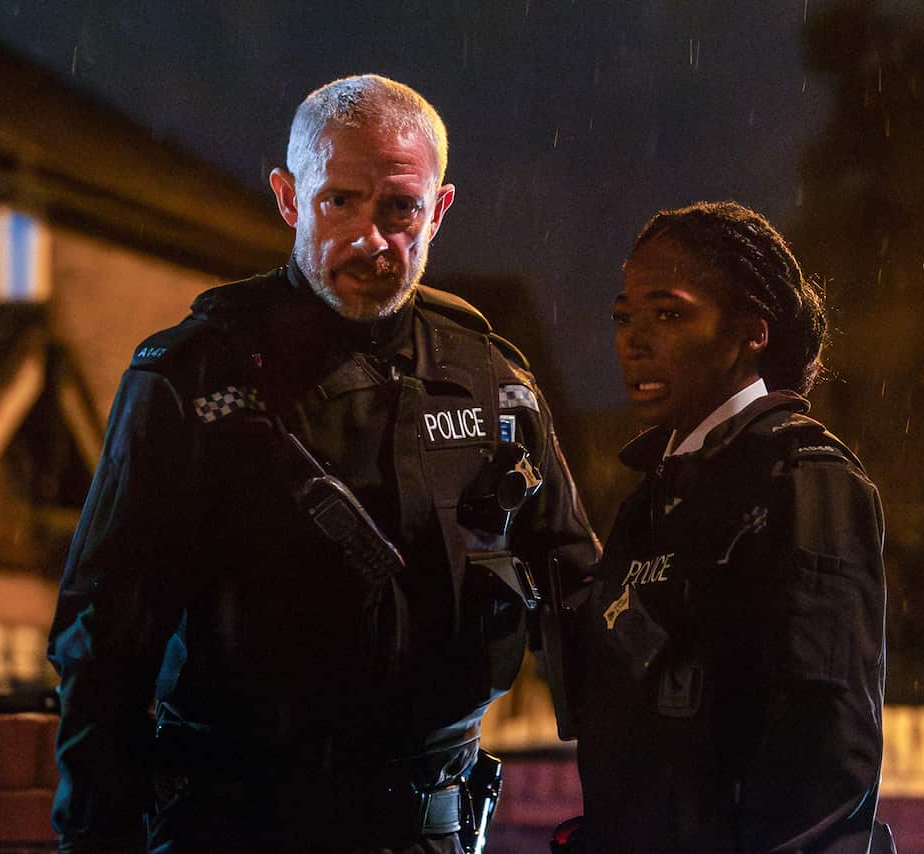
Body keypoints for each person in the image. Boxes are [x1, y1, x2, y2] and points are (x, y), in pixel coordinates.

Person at [47, 74, 598, 854]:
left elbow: (578, 598)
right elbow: (102, 640)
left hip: (432, 829)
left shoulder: (491, 377)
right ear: (288, 198)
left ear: (439, 209)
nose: (371, 240)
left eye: (400, 208)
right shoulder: (196, 378)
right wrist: (96, 838)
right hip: (239, 827)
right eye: (340, 201)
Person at [559, 201, 891, 853]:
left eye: (668, 314)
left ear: (751, 333)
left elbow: (822, 757)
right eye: (625, 317)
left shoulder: (804, 478)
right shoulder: (649, 497)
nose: (634, 341)